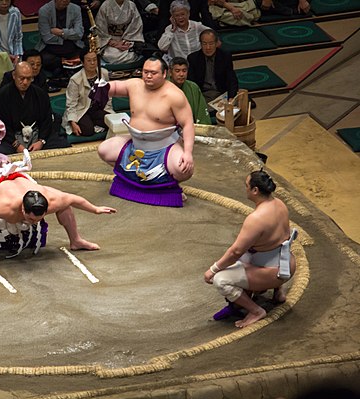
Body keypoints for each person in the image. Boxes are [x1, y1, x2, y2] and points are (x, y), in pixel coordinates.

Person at [0, 149, 117, 271]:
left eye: (38, 219)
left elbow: (75, 199)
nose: (33, 223)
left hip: (25, 182)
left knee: (66, 205)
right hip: (0, 186)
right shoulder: (5, 206)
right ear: (22, 209)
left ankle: (76, 240)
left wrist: (96, 209)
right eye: (31, 219)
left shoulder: (51, 199)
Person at [203, 170, 298, 328]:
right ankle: (278, 292)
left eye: (246, 186)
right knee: (256, 250)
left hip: (273, 273)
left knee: (221, 279)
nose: (245, 189)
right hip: (288, 263)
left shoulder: (256, 219)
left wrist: (213, 269)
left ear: (255, 190)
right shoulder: (279, 204)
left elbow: (235, 252)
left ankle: (256, 311)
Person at [97, 57, 194, 207]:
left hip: (163, 146)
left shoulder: (174, 96)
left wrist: (187, 153)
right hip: (135, 144)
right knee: (104, 150)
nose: (148, 76)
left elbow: (187, 125)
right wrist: (102, 87)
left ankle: (170, 186)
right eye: (145, 72)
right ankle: (129, 179)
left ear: (164, 74)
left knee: (183, 168)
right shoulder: (135, 85)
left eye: (153, 73)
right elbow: (115, 87)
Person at [0, 62, 69, 154]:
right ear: (14, 75)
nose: (25, 82)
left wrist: (41, 141)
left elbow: (47, 119)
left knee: (62, 144)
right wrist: (16, 144)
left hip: (36, 134)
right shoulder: (2, 95)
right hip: (11, 139)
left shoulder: (40, 94)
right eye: (22, 78)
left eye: (28, 79)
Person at [62, 51, 113, 136]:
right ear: (82, 62)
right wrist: (73, 122)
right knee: (87, 131)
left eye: (94, 60)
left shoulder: (103, 73)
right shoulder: (75, 79)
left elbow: (108, 95)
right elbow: (71, 104)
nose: (92, 63)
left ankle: (92, 121)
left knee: (113, 123)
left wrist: (108, 111)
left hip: (97, 108)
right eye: (89, 60)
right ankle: (88, 122)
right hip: (81, 109)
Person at [187, 29, 238, 104]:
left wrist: (231, 97)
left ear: (217, 43)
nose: (208, 47)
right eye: (204, 44)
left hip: (221, 92)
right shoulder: (193, 58)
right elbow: (191, 83)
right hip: (203, 94)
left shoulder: (225, 56)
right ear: (200, 44)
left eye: (211, 43)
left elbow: (231, 78)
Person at [36, 0, 84, 75]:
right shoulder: (44, 11)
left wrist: (61, 32)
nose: (65, 0)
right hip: (51, 48)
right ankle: (66, 66)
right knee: (42, 60)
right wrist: (69, 36)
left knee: (87, 54)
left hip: (71, 46)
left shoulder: (76, 9)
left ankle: (63, 67)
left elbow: (79, 34)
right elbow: (47, 38)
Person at [95, 0, 144, 65]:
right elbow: (100, 27)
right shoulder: (106, 5)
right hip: (109, 41)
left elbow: (136, 25)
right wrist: (112, 42)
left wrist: (125, 42)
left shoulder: (131, 5)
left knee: (131, 55)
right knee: (110, 55)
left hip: (127, 39)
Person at [169, 56, 211, 125]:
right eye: (177, 71)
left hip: (190, 128)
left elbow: (202, 114)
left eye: (184, 71)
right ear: (170, 72)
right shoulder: (162, 88)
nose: (181, 74)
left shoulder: (193, 87)